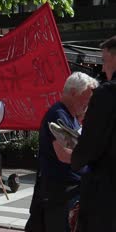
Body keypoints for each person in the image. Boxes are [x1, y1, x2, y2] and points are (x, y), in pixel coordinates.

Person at [26, 72, 98, 232]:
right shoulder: (59, 114)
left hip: (67, 191)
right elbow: (64, 154)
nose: (88, 102)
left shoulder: (70, 116)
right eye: (87, 97)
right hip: (61, 193)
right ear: (73, 93)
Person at [71, 36, 116, 231]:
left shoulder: (106, 94)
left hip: (106, 194)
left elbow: (90, 144)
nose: (103, 68)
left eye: (104, 61)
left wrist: (75, 158)